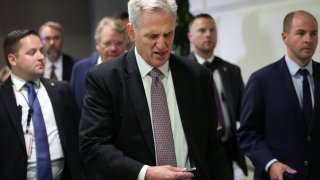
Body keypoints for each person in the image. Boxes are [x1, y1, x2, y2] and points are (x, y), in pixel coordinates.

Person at [79, 0, 232, 179]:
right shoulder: (105, 79)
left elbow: (212, 146)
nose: (162, 45)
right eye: (152, 36)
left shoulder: (198, 76)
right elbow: (93, 146)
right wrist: (146, 173)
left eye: (168, 34)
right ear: (131, 32)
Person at [237, 10, 320, 180]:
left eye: (314, 34)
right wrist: (270, 162)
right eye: (301, 33)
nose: (308, 39)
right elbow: (247, 133)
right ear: (285, 37)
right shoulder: (261, 80)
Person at [0, 29, 83, 179]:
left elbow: (78, 139)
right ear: (13, 60)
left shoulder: (62, 90)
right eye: (32, 53)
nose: (41, 57)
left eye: (41, 51)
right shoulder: (2, 97)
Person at [187, 13, 248, 179]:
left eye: (212, 30)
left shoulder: (231, 71)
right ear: (190, 36)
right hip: (195, 154)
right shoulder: (181, 71)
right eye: (202, 30)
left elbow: (244, 111)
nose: (208, 34)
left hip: (226, 150)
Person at [70, 17, 126, 109]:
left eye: (119, 43)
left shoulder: (133, 70)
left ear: (125, 44)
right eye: (108, 43)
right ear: (97, 44)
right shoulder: (80, 69)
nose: (113, 49)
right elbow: (74, 108)